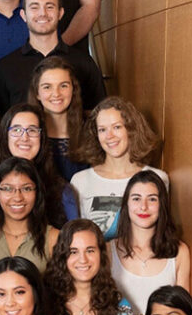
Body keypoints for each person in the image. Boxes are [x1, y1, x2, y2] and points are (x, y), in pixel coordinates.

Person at [0, 0, 106, 115]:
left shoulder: (84, 62)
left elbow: (98, 114)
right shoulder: (6, 66)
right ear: (23, 15)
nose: (42, 13)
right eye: (34, 7)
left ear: (60, 13)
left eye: (49, 7)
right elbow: (0, 119)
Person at [45, 219, 140, 315]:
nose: (83, 259)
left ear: (101, 254)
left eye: (90, 250)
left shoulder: (120, 308)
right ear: (62, 256)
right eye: (73, 251)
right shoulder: (46, 304)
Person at [0, 103, 78, 229]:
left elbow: (72, 235)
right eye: (16, 130)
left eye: (32, 130)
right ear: (5, 136)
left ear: (42, 138)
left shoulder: (61, 190)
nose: (24, 137)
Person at [71, 97, 169, 240]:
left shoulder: (158, 178)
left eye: (117, 127)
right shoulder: (80, 180)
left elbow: (162, 234)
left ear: (131, 129)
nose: (109, 136)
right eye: (102, 129)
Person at [110, 171, 190, 315]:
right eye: (136, 198)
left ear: (162, 204)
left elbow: (182, 312)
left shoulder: (179, 252)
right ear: (126, 204)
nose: (143, 207)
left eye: (152, 199)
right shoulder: (107, 250)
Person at [0, 157, 60, 271]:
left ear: (37, 193)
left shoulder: (53, 238)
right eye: (8, 189)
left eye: (26, 189)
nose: (17, 197)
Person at [27, 56, 88, 181]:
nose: (56, 94)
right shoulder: (26, 134)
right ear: (37, 93)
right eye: (47, 87)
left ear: (73, 89)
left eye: (63, 86)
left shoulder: (91, 130)